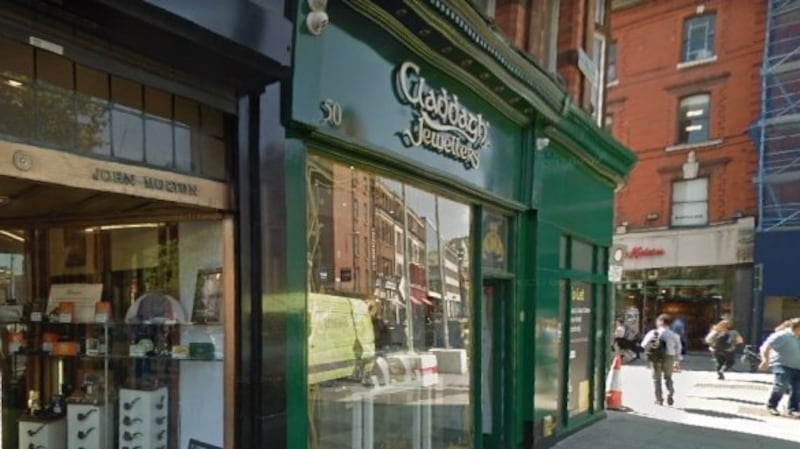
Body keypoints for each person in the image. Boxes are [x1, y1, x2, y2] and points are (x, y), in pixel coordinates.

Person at [759, 318, 800, 417]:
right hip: (781, 364)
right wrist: (765, 360)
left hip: (797, 366)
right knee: (782, 385)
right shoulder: (782, 335)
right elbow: (766, 347)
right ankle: (772, 405)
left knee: (797, 388)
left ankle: (793, 409)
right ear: (796, 327)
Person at [640, 313, 683, 406]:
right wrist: (677, 360)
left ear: (661, 322)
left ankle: (659, 399)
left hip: (656, 357)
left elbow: (643, 344)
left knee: (656, 379)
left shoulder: (653, 333)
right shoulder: (674, 335)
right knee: (668, 377)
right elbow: (678, 348)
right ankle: (670, 392)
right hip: (669, 356)